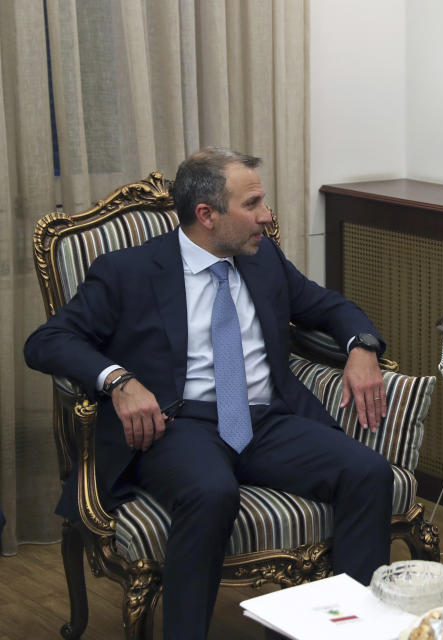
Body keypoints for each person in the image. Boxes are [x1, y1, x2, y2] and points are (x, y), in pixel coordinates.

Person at [24, 148, 394, 640]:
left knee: (367, 472)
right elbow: (46, 341)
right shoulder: (128, 271)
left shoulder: (264, 261)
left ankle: (350, 630)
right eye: (254, 203)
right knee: (210, 490)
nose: (267, 215)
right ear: (207, 215)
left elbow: (328, 307)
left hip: (267, 420)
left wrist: (362, 347)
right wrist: (119, 380)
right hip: (180, 426)